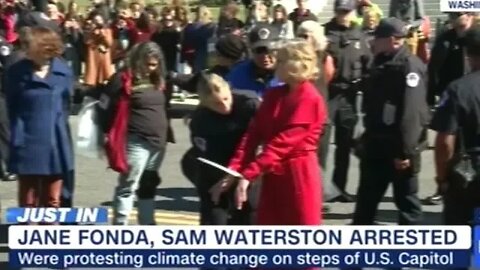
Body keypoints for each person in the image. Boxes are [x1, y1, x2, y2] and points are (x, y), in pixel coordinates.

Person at [211, 40, 327, 228]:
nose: (274, 63)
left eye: (280, 60)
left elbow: (282, 144)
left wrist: (248, 174)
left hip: (298, 175)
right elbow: (253, 134)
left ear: (297, 65)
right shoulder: (274, 94)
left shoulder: (310, 99)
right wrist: (234, 170)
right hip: (273, 173)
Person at [352, 18, 430, 225]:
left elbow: (412, 113)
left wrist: (404, 152)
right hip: (376, 144)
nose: (373, 42)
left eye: (378, 38)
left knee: (406, 203)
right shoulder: (380, 62)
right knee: (366, 201)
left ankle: (412, 252)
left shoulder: (409, 67)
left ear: (393, 40)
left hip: (398, 148)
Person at [90, 42, 169, 225]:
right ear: (137, 60)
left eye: (154, 64)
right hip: (136, 141)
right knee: (128, 186)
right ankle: (121, 227)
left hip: (158, 143)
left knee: (149, 185)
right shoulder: (123, 79)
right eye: (147, 64)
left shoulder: (160, 79)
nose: (150, 68)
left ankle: (148, 226)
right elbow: (104, 107)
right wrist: (106, 133)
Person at [5, 26, 74, 212]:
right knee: (28, 198)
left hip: (55, 140)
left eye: (30, 46)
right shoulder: (16, 72)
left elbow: (67, 103)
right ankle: (28, 235)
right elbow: (11, 104)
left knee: (52, 198)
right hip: (27, 139)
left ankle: (50, 237)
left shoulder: (63, 72)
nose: (26, 50)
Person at [190, 73, 258, 226]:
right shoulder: (201, 121)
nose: (225, 106)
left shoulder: (249, 104)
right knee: (213, 220)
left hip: (247, 168)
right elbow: (206, 157)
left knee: (247, 218)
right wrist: (221, 180)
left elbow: (262, 140)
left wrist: (237, 176)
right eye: (216, 104)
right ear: (206, 104)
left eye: (226, 99)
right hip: (215, 171)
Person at [430, 26, 480, 226]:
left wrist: (442, 179)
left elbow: (444, 143)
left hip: (470, 174)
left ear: (468, 55)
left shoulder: (458, 89)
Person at [324, 0, 371, 202]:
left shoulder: (360, 34)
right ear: (335, 11)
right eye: (341, 11)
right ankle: (318, 191)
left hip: (350, 96)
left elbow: (367, 63)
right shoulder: (325, 32)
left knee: (344, 145)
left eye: (347, 12)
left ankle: (339, 189)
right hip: (328, 94)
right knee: (321, 146)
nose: (344, 15)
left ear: (353, 12)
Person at [297, 20, 339, 212]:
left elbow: (328, 77)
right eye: (300, 35)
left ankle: (317, 199)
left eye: (307, 35)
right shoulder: (295, 58)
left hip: (321, 117)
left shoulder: (324, 57)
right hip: (300, 117)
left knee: (319, 160)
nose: (303, 39)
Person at [226, 23, 284, 98]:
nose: (265, 56)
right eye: (259, 51)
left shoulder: (290, 74)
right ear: (251, 51)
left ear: (279, 50)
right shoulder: (237, 75)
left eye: (269, 50)